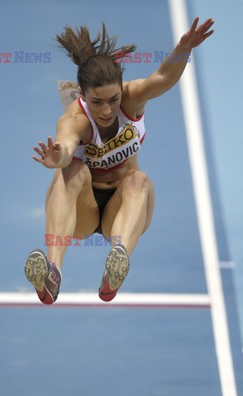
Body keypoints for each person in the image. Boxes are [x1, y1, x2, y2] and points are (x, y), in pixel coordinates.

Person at [24, 17, 214, 305]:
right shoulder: (75, 119)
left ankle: (116, 265)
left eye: (112, 100)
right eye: (97, 102)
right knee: (71, 170)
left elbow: (163, 77)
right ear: (83, 96)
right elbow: (65, 144)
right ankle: (53, 274)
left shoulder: (131, 98)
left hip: (125, 210)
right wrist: (59, 158)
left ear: (121, 89)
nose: (106, 110)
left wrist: (182, 50)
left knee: (139, 179)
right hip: (83, 212)